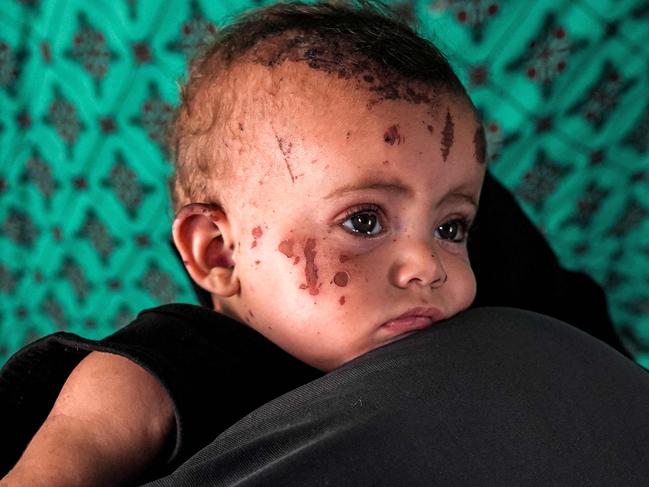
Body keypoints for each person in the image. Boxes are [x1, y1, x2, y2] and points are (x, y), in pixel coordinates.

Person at [0, 1, 633, 485]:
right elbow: (87, 430)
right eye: (363, 222)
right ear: (218, 253)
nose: (428, 267)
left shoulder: (472, 307)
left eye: (451, 227)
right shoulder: (188, 356)